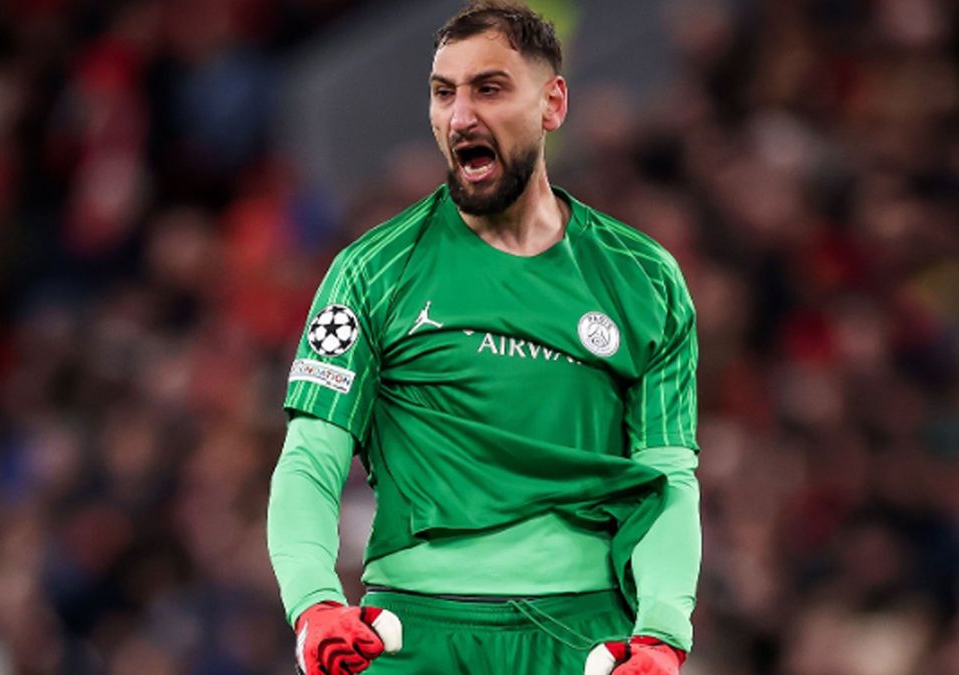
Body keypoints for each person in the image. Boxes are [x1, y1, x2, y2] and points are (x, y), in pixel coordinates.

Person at [267, 2, 701, 673]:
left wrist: (664, 630)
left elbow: (670, 476)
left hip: (583, 638)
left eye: (489, 89)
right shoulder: (372, 272)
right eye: (445, 94)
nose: (460, 115)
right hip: (416, 635)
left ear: (553, 104)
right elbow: (310, 460)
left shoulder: (643, 280)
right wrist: (315, 601)